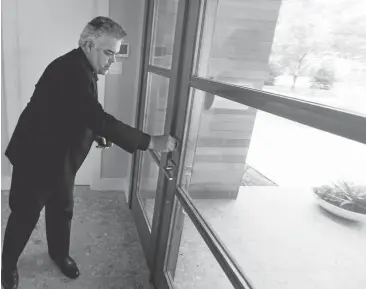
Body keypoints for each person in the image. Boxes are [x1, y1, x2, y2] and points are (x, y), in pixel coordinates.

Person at [1, 16, 177, 289]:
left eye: (115, 55)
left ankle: (59, 254)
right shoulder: (70, 70)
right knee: (25, 214)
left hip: (61, 157)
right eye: (108, 53)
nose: (112, 61)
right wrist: (151, 141)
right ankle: (7, 265)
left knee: (62, 209)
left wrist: (96, 132)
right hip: (35, 157)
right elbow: (98, 116)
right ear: (87, 44)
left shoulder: (81, 67)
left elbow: (77, 111)